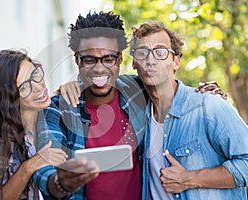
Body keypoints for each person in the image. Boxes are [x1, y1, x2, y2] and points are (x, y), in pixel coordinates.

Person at [33, 11, 225, 200]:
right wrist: (60, 182)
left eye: (108, 59)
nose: (99, 68)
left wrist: (202, 94)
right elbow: (44, 169)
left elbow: (169, 86)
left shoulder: (138, 92)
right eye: (89, 60)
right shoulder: (57, 110)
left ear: (120, 59)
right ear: (77, 60)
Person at [129, 20, 248, 199]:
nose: (150, 60)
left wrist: (190, 179)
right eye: (142, 53)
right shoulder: (138, 117)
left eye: (160, 52)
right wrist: (75, 85)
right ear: (134, 63)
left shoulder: (207, 105)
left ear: (176, 61)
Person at [0, 50, 68, 200]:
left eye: (35, 75)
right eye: (24, 87)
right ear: (9, 99)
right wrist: (28, 168)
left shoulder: (51, 117)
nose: (38, 87)